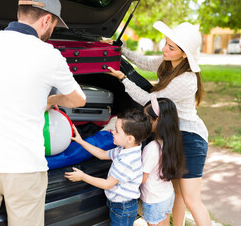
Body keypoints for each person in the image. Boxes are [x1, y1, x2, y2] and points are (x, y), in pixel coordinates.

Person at [0, 0, 86, 226]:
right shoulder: (50, 55)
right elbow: (79, 100)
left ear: (20, 12)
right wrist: (51, 101)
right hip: (24, 166)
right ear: (47, 19)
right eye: (54, 25)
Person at [108, 21, 212, 226]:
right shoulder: (168, 64)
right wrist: (121, 50)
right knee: (177, 193)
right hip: (173, 135)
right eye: (166, 43)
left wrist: (123, 79)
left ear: (184, 54)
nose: (165, 49)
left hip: (191, 138)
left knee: (191, 198)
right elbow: (144, 62)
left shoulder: (187, 79)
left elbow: (150, 101)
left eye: (171, 47)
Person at [65, 109, 152, 226]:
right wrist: (81, 142)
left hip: (123, 208)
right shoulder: (125, 149)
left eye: (117, 131)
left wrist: (82, 176)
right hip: (118, 204)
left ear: (130, 138)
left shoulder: (127, 161)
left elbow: (107, 184)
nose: (112, 132)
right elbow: (102, 154)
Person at [141, 96, 185, 226]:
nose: (143, 122)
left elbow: (143, 178)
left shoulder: (151, 148)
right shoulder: (171, 142)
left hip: (153, 200)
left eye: (147, 118)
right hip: (166, 195)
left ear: (158, 120)